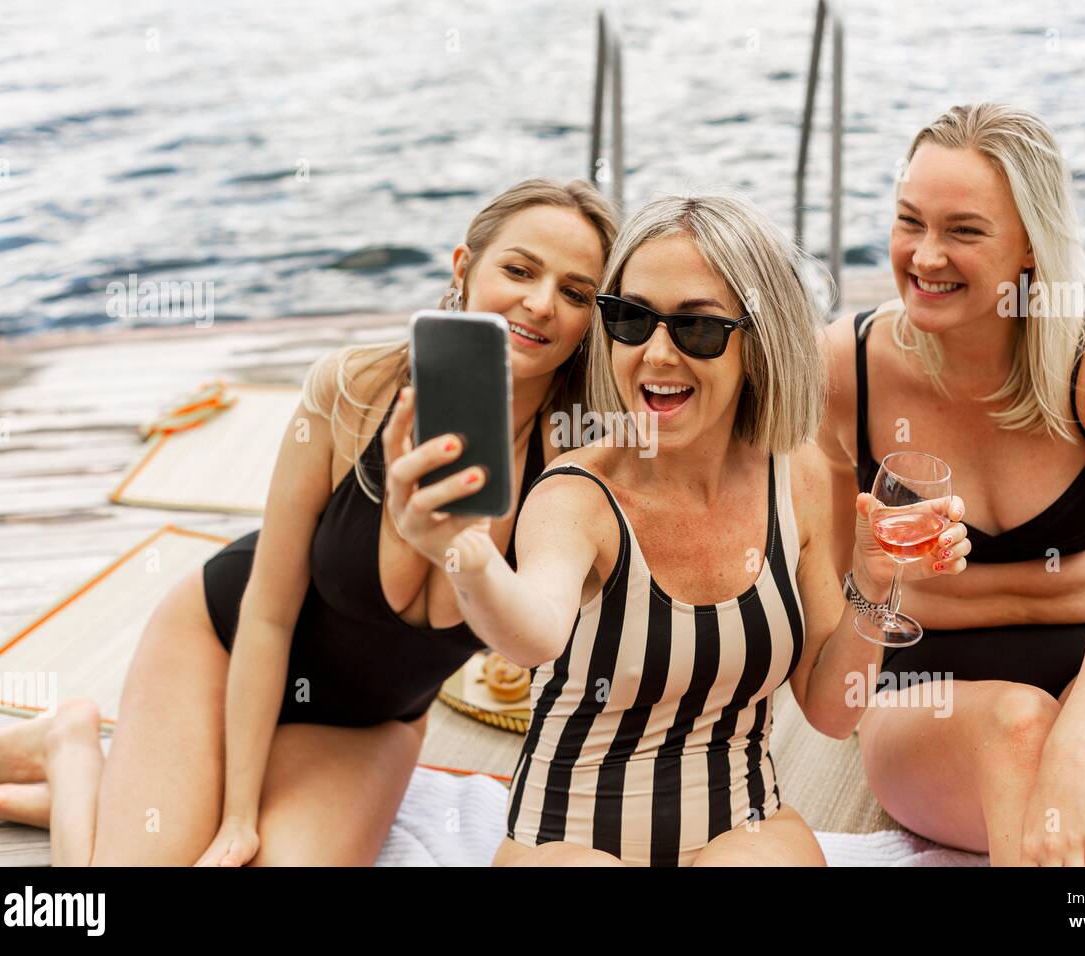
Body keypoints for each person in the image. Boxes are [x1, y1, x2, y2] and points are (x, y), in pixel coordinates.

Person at [0, 177, 617, 866]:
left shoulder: (572, 461)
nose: (541, 303)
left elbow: (546, 642)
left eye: (575, 292)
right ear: (463, 268)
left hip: (369, 722)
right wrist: (238, 817)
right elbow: (266, 615)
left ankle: (101, 794)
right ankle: (73, 750)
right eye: (519, 269)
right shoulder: (351, 391)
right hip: (224, 646)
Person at [384, 192, 969, 866]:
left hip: (739, 825)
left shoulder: (798, 477)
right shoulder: (577, 493)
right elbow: (533, 635)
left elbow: (832, 712)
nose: (656, 353)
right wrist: (463, 554)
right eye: (631, 319)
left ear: (760, 338)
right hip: (570, 837)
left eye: (696, 329)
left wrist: (875, 582)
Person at [817, 103, 1085, 866]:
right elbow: (815, 601)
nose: (925, 255)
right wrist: (870, 578)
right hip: (931, 697)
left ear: (1028, 249)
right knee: (1019, 726)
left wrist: (1079, 743)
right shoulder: (844, 369)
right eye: (910, 221)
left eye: (964, 231)